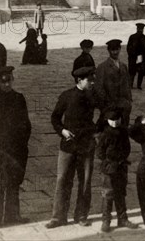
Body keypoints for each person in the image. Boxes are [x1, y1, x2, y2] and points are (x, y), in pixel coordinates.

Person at [46, 66, 97, 229]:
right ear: (79, 80)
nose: (92, 82)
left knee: (85, 181)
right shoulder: (66, 96)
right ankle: (58, 217)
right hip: (68, 146)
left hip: (87, 145)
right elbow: (55, 118)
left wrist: (98, 129)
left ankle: (81, 215)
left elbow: (108, 111)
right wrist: (62, 131)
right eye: (89, 80)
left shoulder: (94, 96)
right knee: (62, 180)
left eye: (92, 79)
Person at [0, 66, 31, 230]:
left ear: (12, 80)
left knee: (14, 182)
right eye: (3, 82)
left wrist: (22, 144)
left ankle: (12, 215)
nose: (7, 85)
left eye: (9, 81)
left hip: (16, 150)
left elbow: (26, 124)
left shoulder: (19, 98)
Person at [97, 108, 138, 233]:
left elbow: (127, 148)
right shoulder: (104, 134)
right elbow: (100, 152)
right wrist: (108, 162)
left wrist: (122, 159)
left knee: (121, 193)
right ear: (107, 120)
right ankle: (106, 221)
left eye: (117, 120)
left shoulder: (123, 132)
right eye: (112, 120)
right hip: (109, 168)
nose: (114, 123)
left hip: (121, 167)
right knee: (108, 194)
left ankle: (122, 219)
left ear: (121, 119)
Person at [95, 40, 132, 128]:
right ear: (108, 51)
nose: (115, 52)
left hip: (124, 106)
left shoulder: (123, 66)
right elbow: (99, 88)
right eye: (112, 50)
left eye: (117, 49)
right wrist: (107, 104)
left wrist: (129, 100)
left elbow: (127, 84)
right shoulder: (102, 67)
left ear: (120, 49)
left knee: (123, 130)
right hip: (110, 107)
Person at [127, 23, 145, 90]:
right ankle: (138, 85)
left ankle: (132, 85)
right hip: (138, 57)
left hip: (135, 57)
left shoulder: (132, 37)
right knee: (138, 71)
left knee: (133, 71)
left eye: (140, 29)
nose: (140, 30)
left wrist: (130, 55)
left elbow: (128, 47)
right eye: (140, 29)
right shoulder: (144, 38)